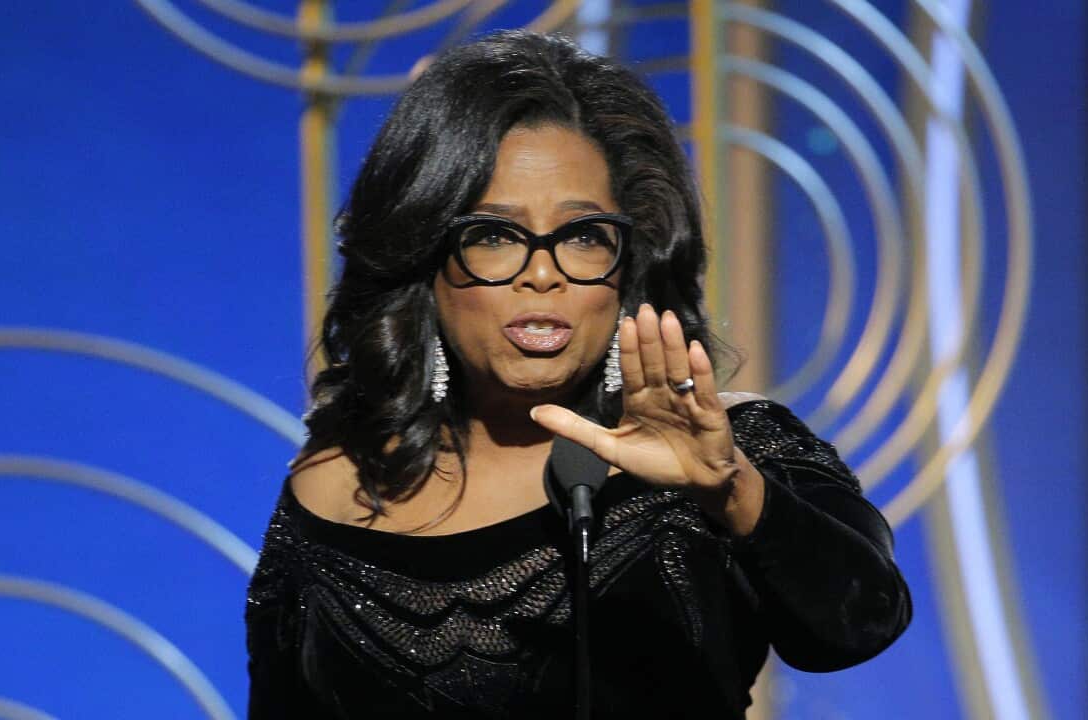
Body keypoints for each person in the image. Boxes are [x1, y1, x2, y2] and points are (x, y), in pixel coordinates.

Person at [245, 30, 911, 719]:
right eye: (493, 235)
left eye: (584, 236)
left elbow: (857, 625)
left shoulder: (732, 449)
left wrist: (731, 489)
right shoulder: (337, 484)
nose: (543, 272)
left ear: (628, 268)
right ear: (425, 263)